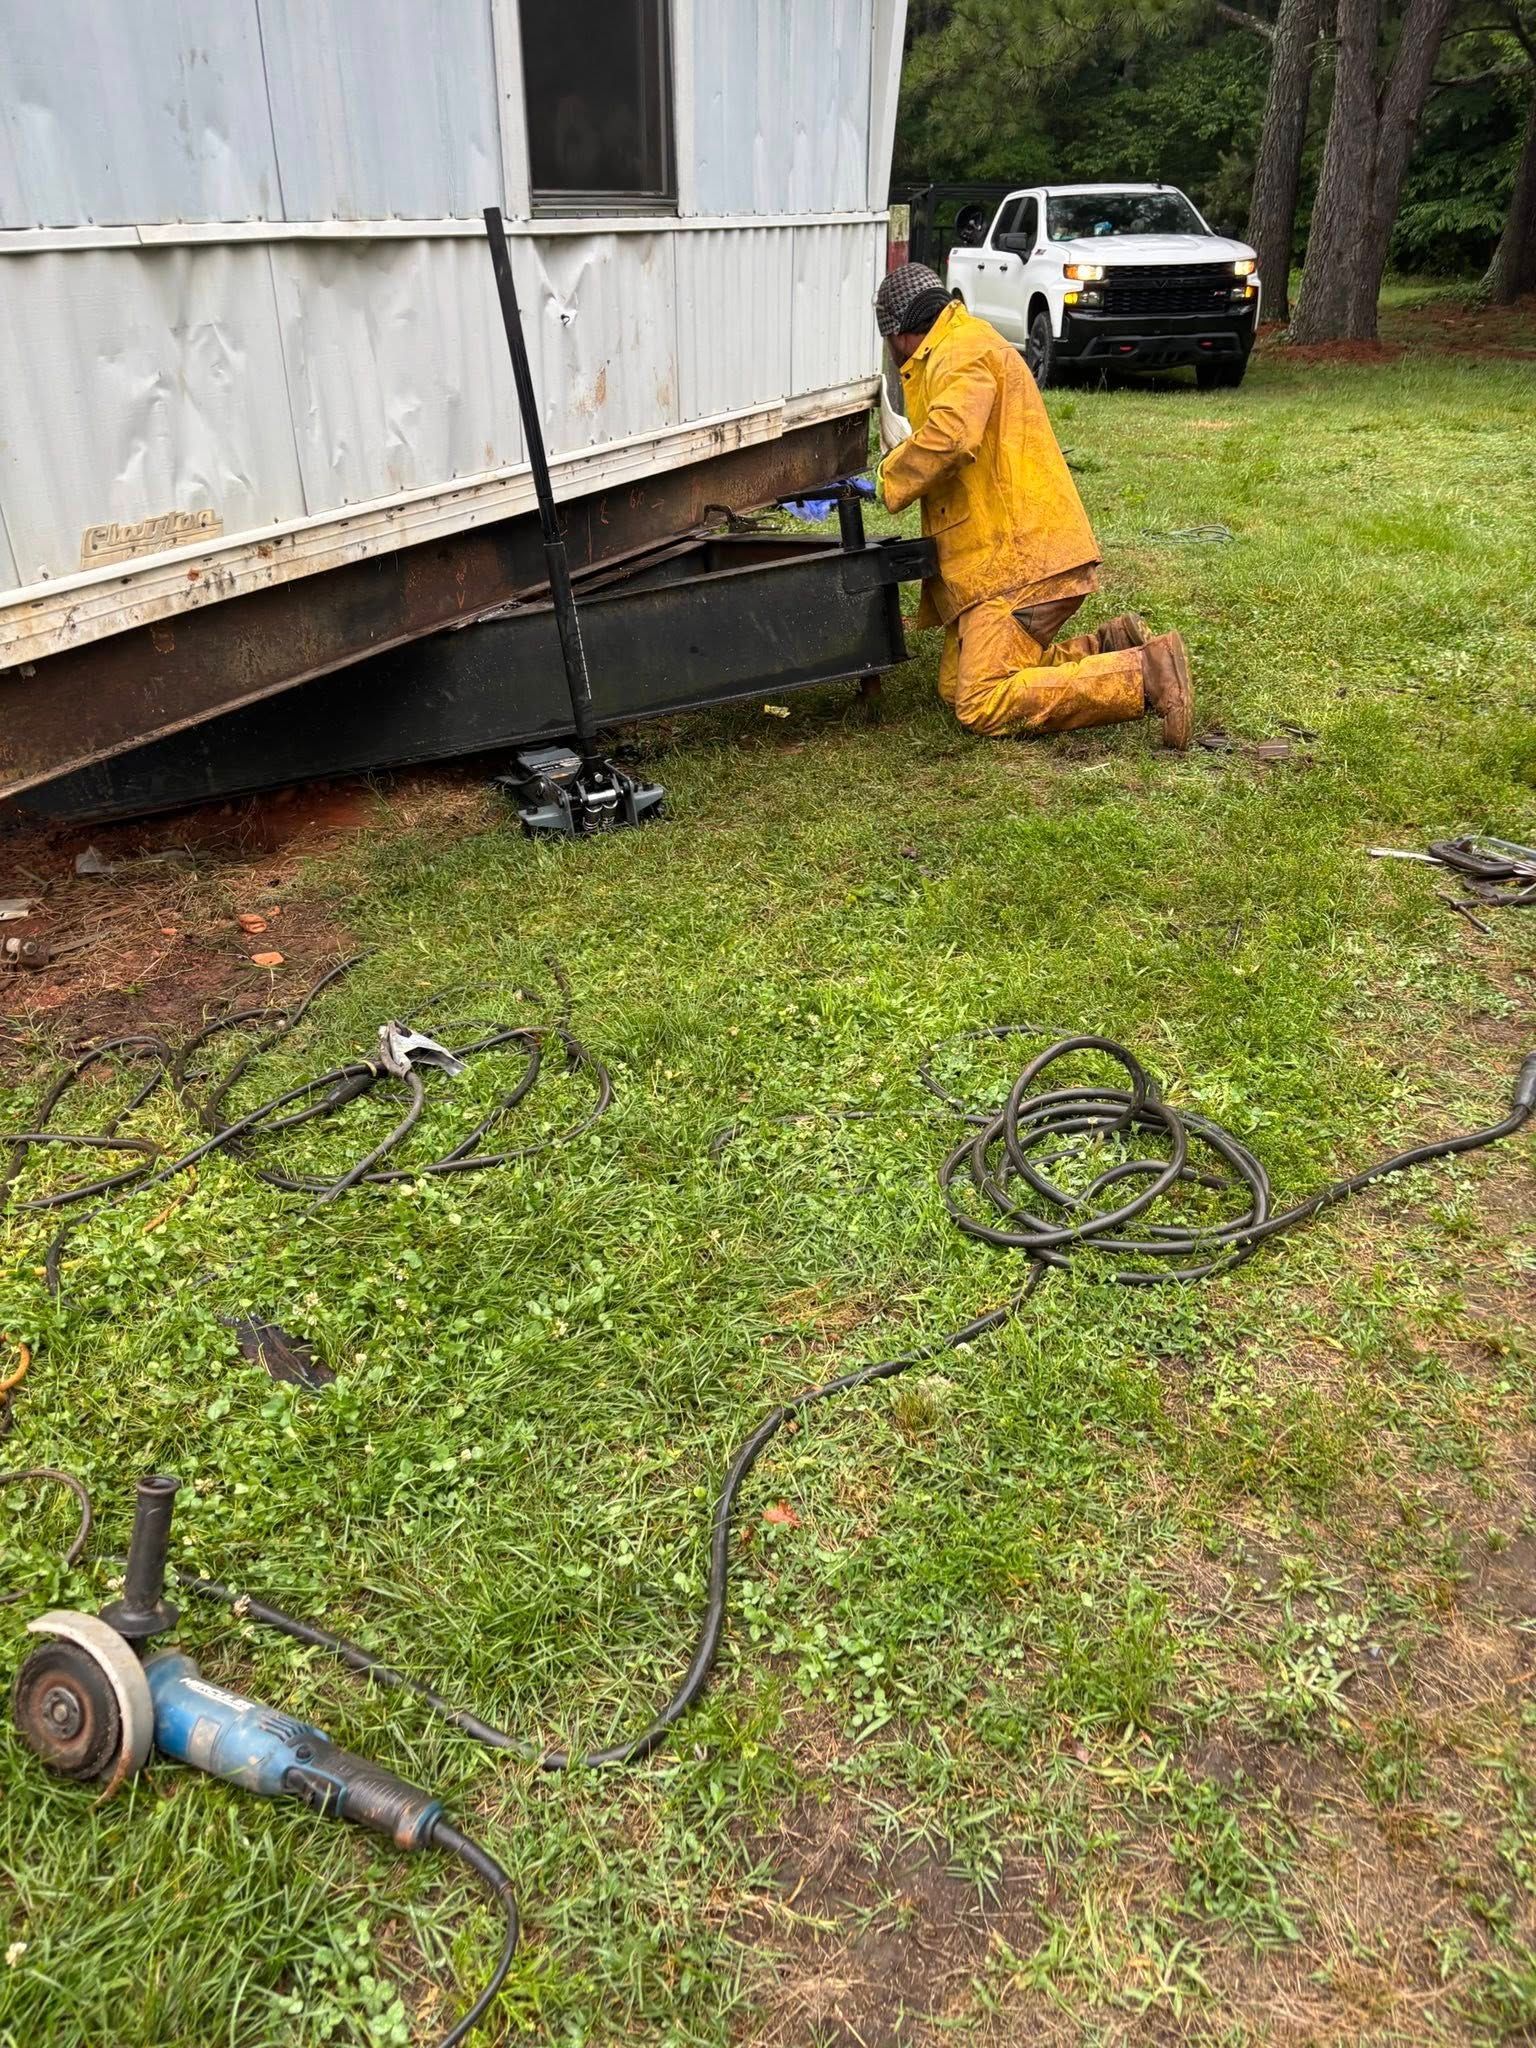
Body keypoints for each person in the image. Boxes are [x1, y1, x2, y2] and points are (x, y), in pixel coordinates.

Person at [873, 263, 1194, 748]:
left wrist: (889, 474)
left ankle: (1145, 674)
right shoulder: (963, 340)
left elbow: (953, 437)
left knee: (980, 699)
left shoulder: (957, 352)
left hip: (1019, 565)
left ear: (898, 334)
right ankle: (1109, 646)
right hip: (1012, 555)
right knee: (954, 686)